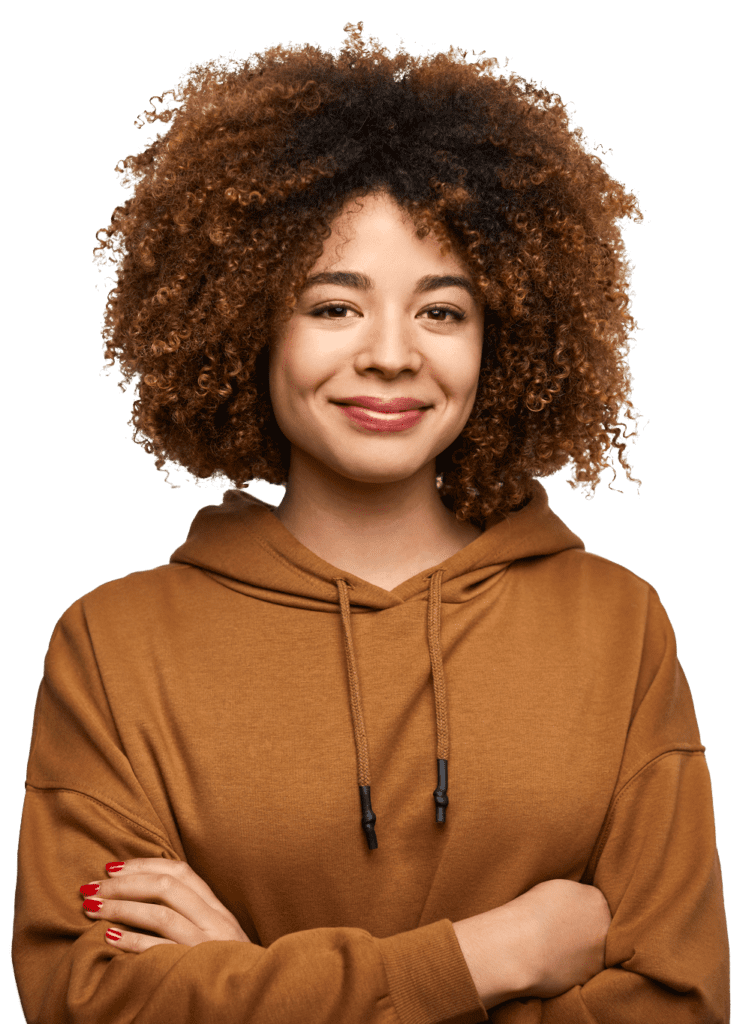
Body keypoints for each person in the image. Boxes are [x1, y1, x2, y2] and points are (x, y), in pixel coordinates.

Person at [11, 21, 729, 1024]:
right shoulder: (113, 645)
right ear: (248, 325)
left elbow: (672, 1003)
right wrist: (493, 955)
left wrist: (244, 978)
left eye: (442, 311)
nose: (391, 354)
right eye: (333, 306)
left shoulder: (616, 625)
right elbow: (92, 1001)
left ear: (505, 339)